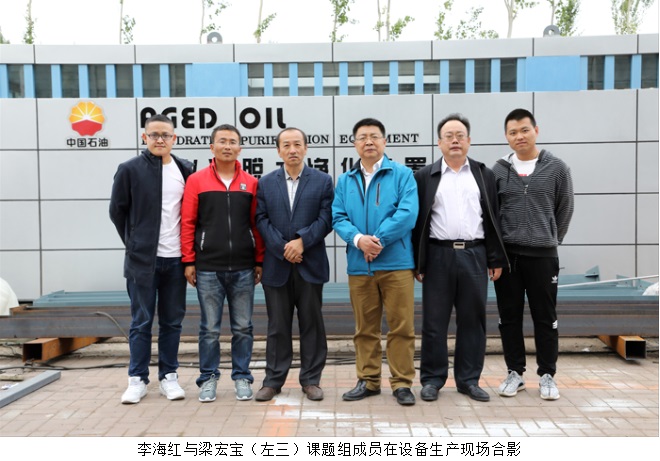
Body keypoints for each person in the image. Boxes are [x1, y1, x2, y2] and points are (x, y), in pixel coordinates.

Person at [412, 113, 507, 403]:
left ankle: (468, 380)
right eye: (449, 136)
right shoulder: (424, 176)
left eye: (460, 135)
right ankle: (432, 380)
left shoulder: (483, 174)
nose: (455, 140)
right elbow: (418, 223)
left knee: (473, 321)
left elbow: (493, 218)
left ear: (469, 140)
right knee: (434, 322)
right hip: (438, 255)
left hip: (474, 254)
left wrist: (495, 258)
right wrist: (420, 262)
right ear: (439, 142)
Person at [332, 118, 419, 406]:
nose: (368, 141)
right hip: (360, 266)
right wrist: (359, 240)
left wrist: (377, 241)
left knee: (401, 327)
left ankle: (402, 383)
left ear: (384, 141)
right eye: (362, 137)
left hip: (396, 264)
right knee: (365, 329)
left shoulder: (402, 175)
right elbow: (338, 217)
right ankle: (368, 380)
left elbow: (407, 214)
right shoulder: (345, 180)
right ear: (354, 144)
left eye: (374, 136)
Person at [109, 114, 194, 404]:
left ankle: (169, 377)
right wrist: (135, 244)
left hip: (176, 260)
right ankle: (137, 380)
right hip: (142, 262)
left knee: (172, 322)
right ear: (144, 137)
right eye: (154, 134)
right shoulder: (129, 169)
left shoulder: (185, 169)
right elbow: (117, 211)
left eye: (165, 135)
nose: (160, 139)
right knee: (141, 321)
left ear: (174, 138)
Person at [492, 108, 574, 401]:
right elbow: (493, 215)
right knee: (509, 317)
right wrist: (496, 255)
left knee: (545, 317)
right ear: (506, 136)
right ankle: (515, 372)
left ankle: (547, 374)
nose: (519, 136)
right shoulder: (498, 170)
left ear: (536, 131)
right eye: (513, 132)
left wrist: (550, 239)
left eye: (524, 130)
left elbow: (565, 208)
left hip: (543, 257)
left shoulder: (557, 168)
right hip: (509, 258)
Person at [181, 124, 265, 403]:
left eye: (232, 141)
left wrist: (259, 259)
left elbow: (256, 225)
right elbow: (188, 223)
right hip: (207, 268)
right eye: (222, 141)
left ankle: (242, 376)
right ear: (212, 147)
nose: (227, 146)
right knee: (209, 329)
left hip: (243, 268)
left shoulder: (250, 183)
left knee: (243, 327)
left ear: (240, 148)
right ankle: (208, 378)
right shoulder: (197, 181)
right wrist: (189, 260)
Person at [254, 127, 334, 402]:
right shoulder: (266, 182)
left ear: (306, 148)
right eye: (286, 145)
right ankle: (273, 381)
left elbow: (326, 218)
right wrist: (283, 248)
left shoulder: (322, 181)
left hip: (309, 262)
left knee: (312, 323)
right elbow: (261, 219)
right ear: (278, 150)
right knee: (277, 325)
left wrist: (301, 242)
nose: (292, 150)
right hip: (277, 265)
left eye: (297, 144)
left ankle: (311, 380)